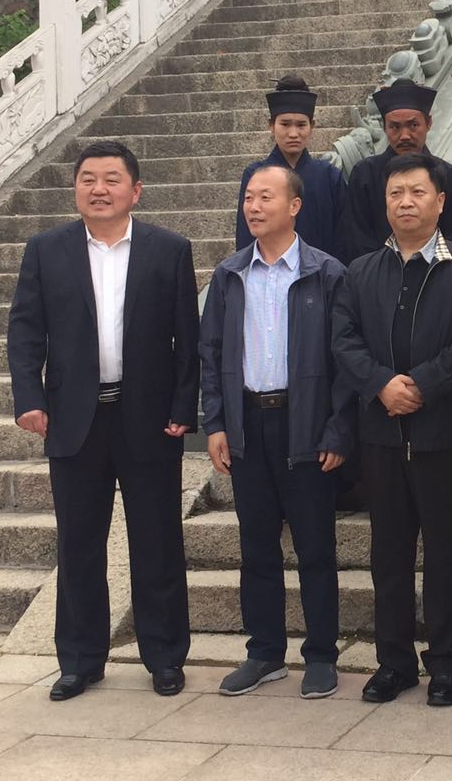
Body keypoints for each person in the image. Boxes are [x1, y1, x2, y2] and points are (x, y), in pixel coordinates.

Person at [6, 140, 198, 701]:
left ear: (135, 190)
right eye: (88, 178)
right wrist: (29, 398)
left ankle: (165, 656)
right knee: (79, 545)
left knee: (157, 542)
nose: (99, 189)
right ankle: (80, 660)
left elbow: (188, 340)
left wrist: (183, 408)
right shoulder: (46, 250)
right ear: (75, 189)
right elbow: (24, 332)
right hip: (74, 421)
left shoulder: (169, 250)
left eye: (111, 179)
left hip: (149, 419)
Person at [332, 152, 452, 707]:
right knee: (389, 557)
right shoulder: (360, 271)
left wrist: (422, 384)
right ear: (385, 203)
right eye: (396, 193)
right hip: (381, 437)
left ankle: (447, 664)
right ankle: (394, 663)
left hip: (443, 436)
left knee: (448, 556)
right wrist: (381, 384)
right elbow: (343, 339)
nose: (406, 202)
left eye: (417, 192)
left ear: (440, 201)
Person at [200, 164, 354, 700]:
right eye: (248, 197)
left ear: (294, 207)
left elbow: (345, 360)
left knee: (315, 549)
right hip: (247, 422)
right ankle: (264, 652)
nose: (254, 206)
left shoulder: (327, 273)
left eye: (266, 197)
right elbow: (211, 353)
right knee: (257, 547)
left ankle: (321, 655)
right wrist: (215, 422)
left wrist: (337, 429)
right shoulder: (229, 274)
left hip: (305, 422)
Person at [343, 79, 452, 259]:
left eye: (413, 125)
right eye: (395, 127)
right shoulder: (364, 174)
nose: (405, 136)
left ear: (428, 123)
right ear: (384, 127)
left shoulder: (448, 175)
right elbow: (357, 236)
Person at [235, 76, 348, 261]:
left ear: (312, 126)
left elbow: (343, 237)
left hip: (322, 273)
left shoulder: (329, 176)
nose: (293, 133)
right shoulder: (255, 175)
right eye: (285, 124)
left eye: (301, 125)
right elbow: (245, 236)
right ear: (271, 126)